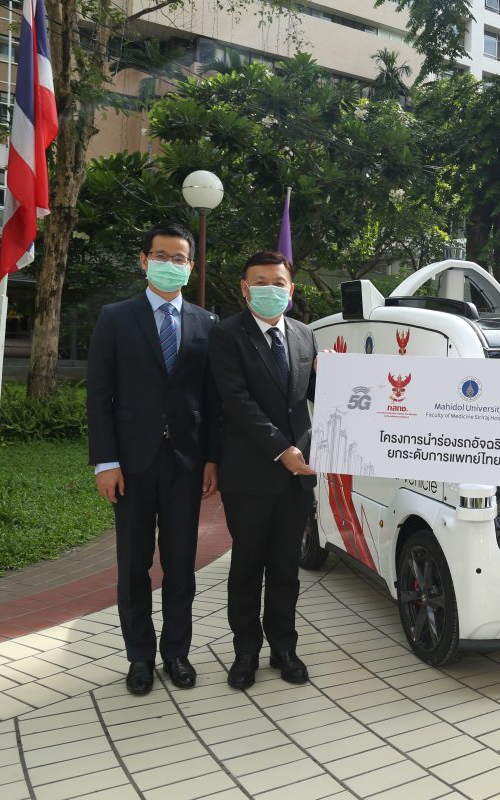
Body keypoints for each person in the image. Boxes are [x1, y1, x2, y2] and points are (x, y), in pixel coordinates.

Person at [86, 223, 221, 696]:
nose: (170, 264)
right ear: (144, 260)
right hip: (131, 464)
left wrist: (212, 458)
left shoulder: (207, 323)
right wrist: (105, 462)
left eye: (179, 258)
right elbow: (99, 395)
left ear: (191, 266)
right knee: (133, 565)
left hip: (186, 464)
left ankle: (176, 653)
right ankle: (140, 656)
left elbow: (213, 400)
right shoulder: (115, 318)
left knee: (181, 565)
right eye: (161, 256)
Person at [208, 250, 318, 690]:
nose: (270, 289)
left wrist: (343, 375)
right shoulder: (226, 335)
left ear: (290, 290)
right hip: (250, 473)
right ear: (244, 288)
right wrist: (280, 449)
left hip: (298, 474)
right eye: (260, 282)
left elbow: (316, 394)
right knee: (248, 566)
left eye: (278, 282)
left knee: (286, 567)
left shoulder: (305, 335)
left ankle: (284, 648)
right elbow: (237, 401)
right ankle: (246, 652)